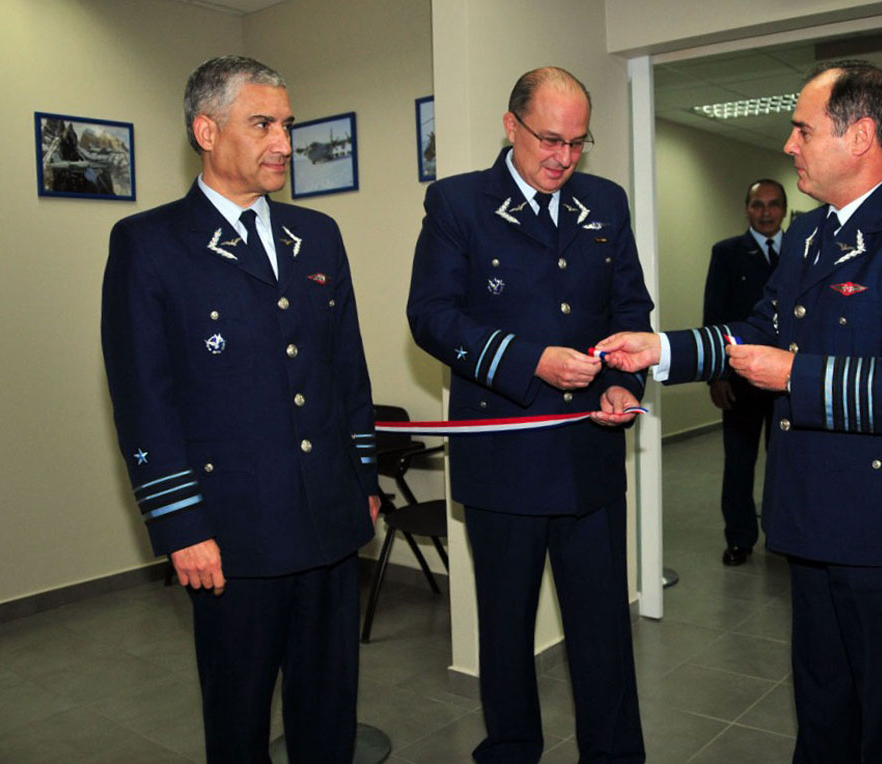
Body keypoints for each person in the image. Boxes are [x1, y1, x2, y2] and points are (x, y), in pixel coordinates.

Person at [595, 60, 882, 764]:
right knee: (823, 702)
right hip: (811, 515)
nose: (790, 144)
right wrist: (661, 349)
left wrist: (798, 374)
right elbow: (755, 330)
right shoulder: (807, 238)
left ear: (859, 136)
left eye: (803, 129)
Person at [101, 55, 380, 763]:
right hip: (231, 538)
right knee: (239, 722)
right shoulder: (150, 245)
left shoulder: (315, 236)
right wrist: (180, 524)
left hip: (328, 522)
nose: (283, 141)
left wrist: (365, 482)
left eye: (287, 124)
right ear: (206, 129)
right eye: (262, 124)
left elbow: (346, 370)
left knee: (328, 717)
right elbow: (144, 401)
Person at [406, 66, 652, 763]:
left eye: (578, 142)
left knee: (603, 630)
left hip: (590, 458)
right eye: (549, 139)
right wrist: (527, 361)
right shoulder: (458, 204)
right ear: (510, 125)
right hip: (503, 459)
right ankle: (512, 750)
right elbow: (430, 317)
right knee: (506, 631)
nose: (563, 158)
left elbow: (629, 310)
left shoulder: (605, 203)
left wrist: (616, 380)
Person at [703, 179, 786, 565]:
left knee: (787, 463)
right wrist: (716, 375)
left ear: (784, 210)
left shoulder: (803, 252)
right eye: (757, 205)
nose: (765, 212)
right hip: (740, 380)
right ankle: (739, 538)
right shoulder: (727, 254)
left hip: (790, 379)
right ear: (747, 209)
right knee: (739, 463)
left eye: (772, 205)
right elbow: (714, 317)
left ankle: (785, 535)